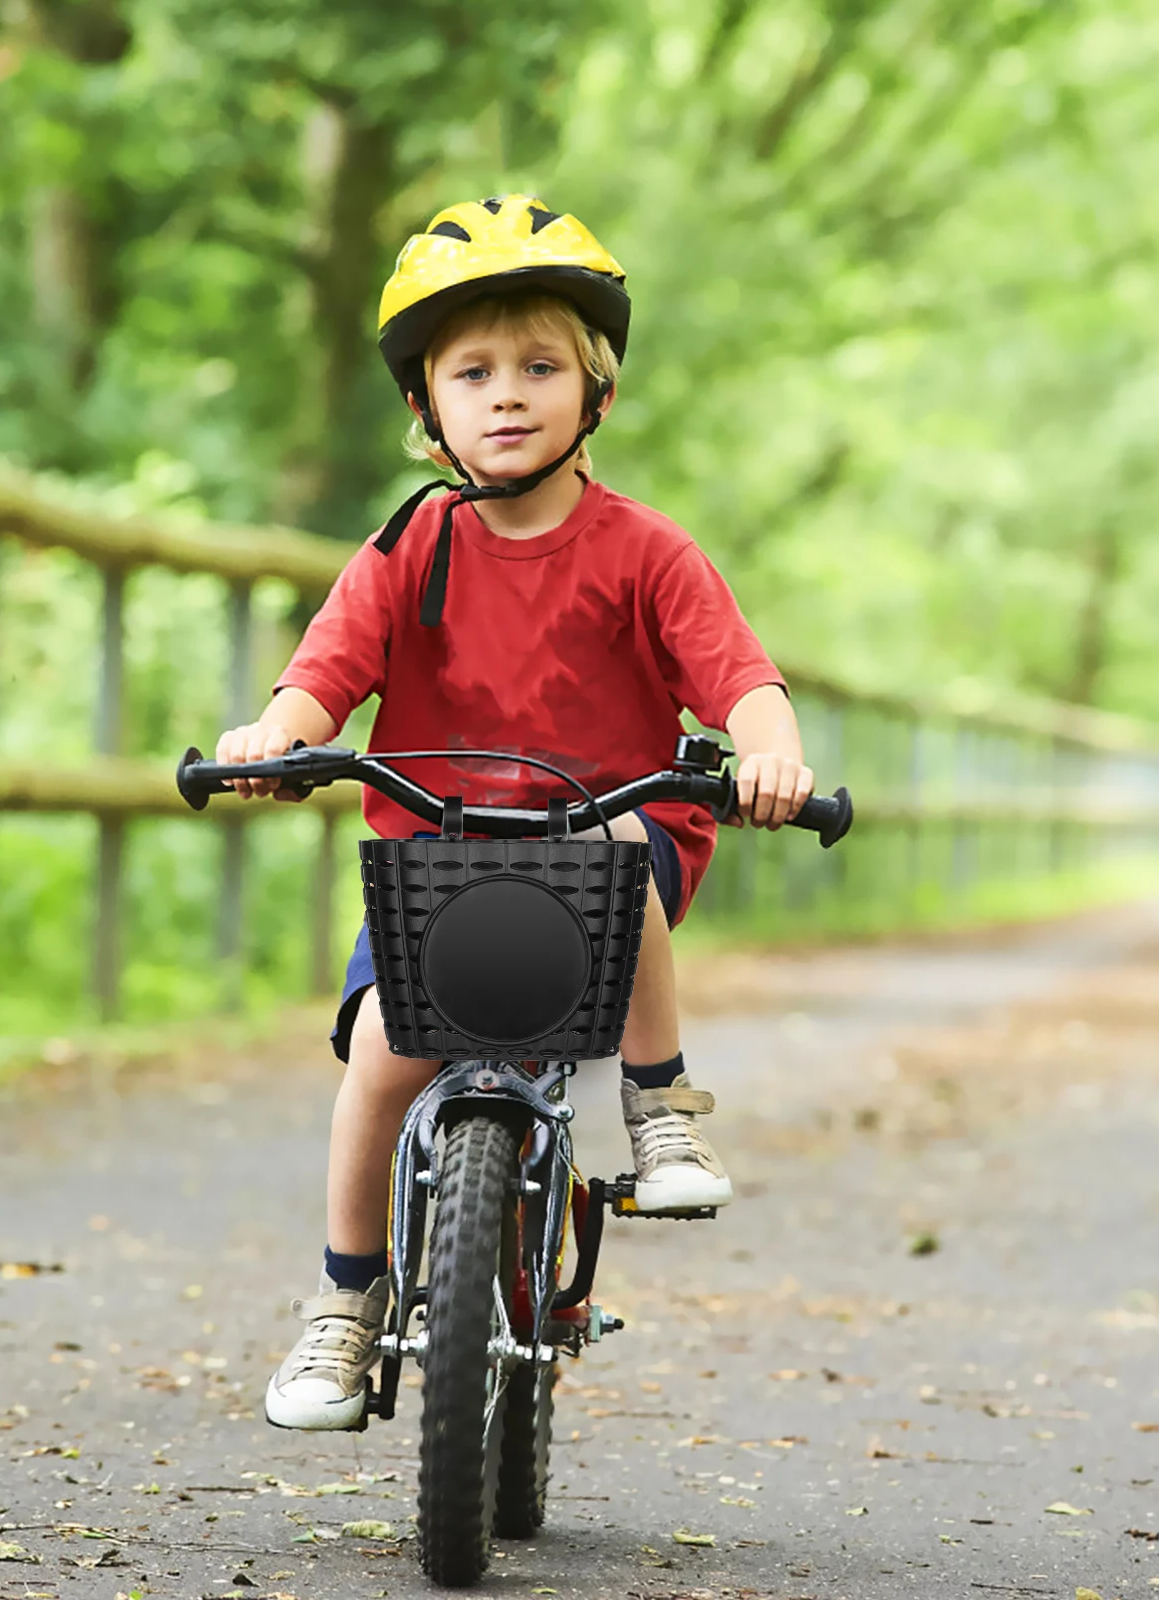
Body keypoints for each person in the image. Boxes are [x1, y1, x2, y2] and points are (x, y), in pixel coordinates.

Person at [215, 194, 814, 1430]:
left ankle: (659, 1109)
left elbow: (740, 681)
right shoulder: (405, 547)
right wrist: (276, 738)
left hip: (610, 845)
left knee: (609, 845)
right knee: (385, 1052)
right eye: (472, 371)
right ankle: (344, 1304)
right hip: (434, 855)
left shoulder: (646, 551)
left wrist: (770, 758)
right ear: (427, 407)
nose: (506, 394)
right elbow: (322, 673)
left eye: (539, 366)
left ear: (593, 394)